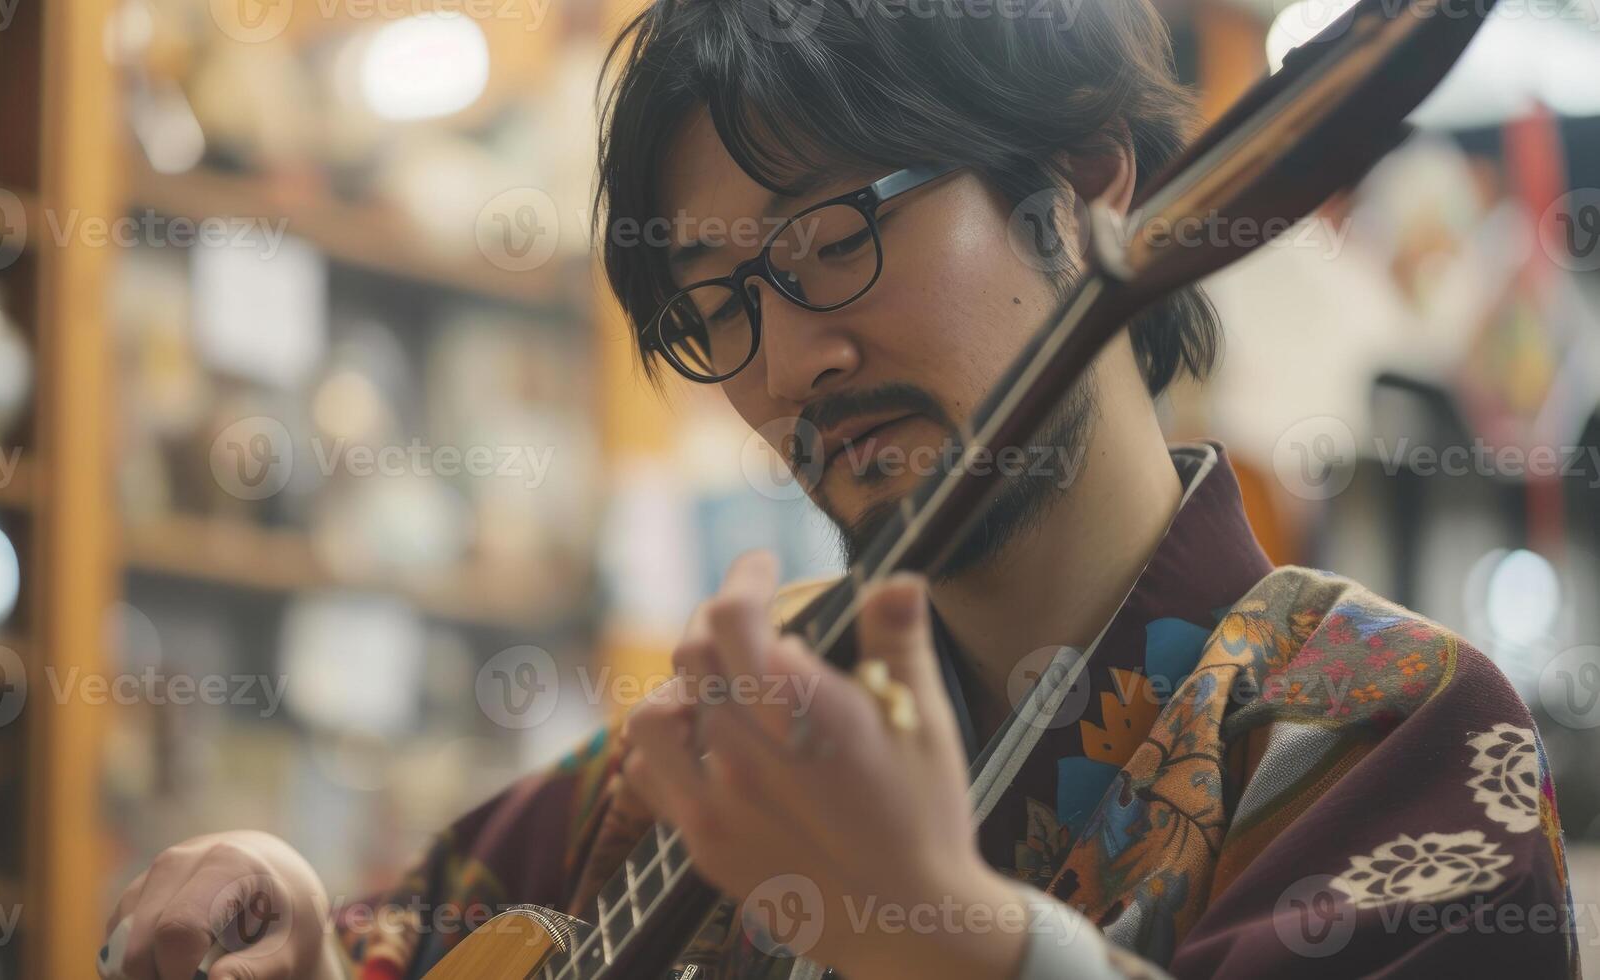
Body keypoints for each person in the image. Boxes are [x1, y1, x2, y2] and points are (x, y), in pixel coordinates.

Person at [101, 1, 1580, 978]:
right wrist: (284, 904)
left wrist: (954, 938)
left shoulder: (1392, 726)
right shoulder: (740, 735)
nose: (794, 360)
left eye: (827, 239)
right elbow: (406, 928)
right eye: (718, 303)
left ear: (1087, 177)